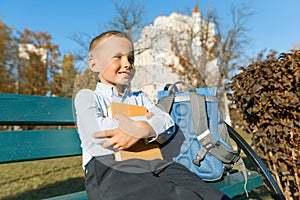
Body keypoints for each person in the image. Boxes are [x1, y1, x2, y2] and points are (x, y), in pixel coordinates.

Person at [74, 30, 230, 200]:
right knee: (178, 196)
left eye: (130, 59)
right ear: (94, 64)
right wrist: (143, 124)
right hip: (109, 167)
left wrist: (146, 129)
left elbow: (166, 121)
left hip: (154, 162)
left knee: (206, 192)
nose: (127, 64)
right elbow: (96, 132)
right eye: (117, 57)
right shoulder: (88, 96)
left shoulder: (139, 97)